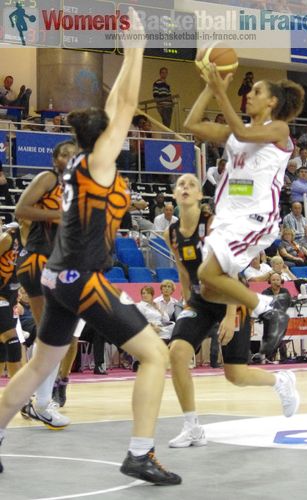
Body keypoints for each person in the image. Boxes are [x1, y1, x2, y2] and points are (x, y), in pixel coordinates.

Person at [0, 10, 181, 485]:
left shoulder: (81, 161)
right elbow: (123, 104)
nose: (123, 130)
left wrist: (129, 56)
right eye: (117, 130)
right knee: (154, 356)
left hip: (58, 278)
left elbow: (119, 102)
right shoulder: (98, 163)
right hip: (81, 277)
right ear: (106, 137)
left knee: (42, 362)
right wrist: (136, 46)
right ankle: (140, 453)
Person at [165, 174, 299, 448]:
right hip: (201, 302)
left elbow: (230, 268)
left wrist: (229, 314)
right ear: (175, 196)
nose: (186, 188)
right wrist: (188, 303)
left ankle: (281, 381)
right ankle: (192, 427)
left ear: (201, 196)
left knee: (235, 375)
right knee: (177, 353)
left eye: (191, 184)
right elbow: (182, 271)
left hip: (230, 298)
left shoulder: (213, 225)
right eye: (181, 185)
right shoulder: (171, 233)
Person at [184, 63, 304, 355]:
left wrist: (222, 95)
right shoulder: (237, 133)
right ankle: (268, 307)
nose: (249, 95)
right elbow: (192, 124)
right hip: (228, 219)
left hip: (256, 217)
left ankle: (269, 309)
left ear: (272, 102)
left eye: (256, 91)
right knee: (210, 287)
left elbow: (240, 130)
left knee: (208, 274)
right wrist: (210, 90)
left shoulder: (279, 129)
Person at [15, 140, 75, 429]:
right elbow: (20, 210)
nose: (69, 158)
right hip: (39, 261)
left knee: (52, 337)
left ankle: (34, 400)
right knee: (53, 338)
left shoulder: (74, 188)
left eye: (74, 155)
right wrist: (56, 215)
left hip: (54, 263)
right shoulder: (48, 178)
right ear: (55, 158)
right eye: (64, 154)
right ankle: (41, 404)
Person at [0, 222, 22, 380]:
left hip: (12, 293)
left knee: (3, 345)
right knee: (11, 339)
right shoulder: (8, 237)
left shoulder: (37, 239)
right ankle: (20, 395)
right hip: (1, 293)